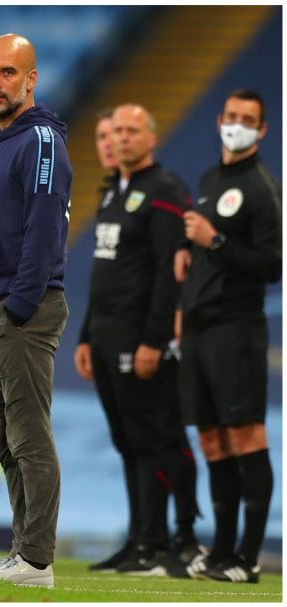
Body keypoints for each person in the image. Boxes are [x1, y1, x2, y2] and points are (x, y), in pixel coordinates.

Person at [0, 33, 70, 589]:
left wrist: (19, 303)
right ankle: (22, 555)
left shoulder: (43, 141)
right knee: (4, 439)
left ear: (31, 79)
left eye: (7, 72)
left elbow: (44, 230)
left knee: (29, 435)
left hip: (22, 309)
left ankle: (37, 561)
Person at [73, 104, 202, 576]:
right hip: (106, 333)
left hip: (139, 336)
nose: (121, 139)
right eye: (115, 132)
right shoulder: (113, 193)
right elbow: (105, 276)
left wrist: (154, 338)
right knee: (128, 441)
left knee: (154, 438)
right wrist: (86, 334)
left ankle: (167, 540)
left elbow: (171, 275)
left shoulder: (165, 191)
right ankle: (138, 540)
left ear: (151, 137)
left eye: (130, 131)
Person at [176, 89, 281, 584]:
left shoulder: (263, 187)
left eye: (249, 120)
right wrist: (190, 253)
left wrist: (213, 240)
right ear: (219, 121)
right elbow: (208, 248)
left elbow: (274, 264)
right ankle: (220, 552)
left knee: (245, 435)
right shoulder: (211, 177)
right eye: (232, 117)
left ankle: (248, 557)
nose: (237, 125)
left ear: (262, 130)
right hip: (198, 328)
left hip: (236, 327)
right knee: (213, 441)